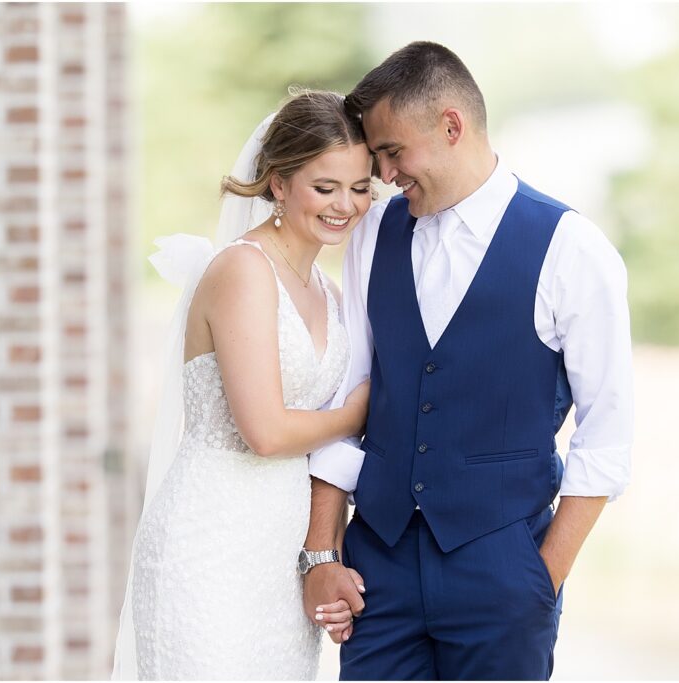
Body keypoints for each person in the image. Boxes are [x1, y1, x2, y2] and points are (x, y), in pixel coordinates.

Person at [301, 42, 634, 680]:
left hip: (503, 573)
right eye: (378, 158)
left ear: (452, 126)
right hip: (380, 570)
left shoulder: (572, 249)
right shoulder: (372, 233)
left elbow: (608, 436)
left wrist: (541, 580)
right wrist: (321, 554)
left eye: (394, 153)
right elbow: (349, 396)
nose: (386, 175)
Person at [111, 90, 374, 680]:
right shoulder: (242, 270)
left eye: (359, 188)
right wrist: (356, 414)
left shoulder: (331, 296)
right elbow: (266, 429)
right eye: (324, 187)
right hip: (210, 545)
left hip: (277, 559)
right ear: (278, 183)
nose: (345, 205)